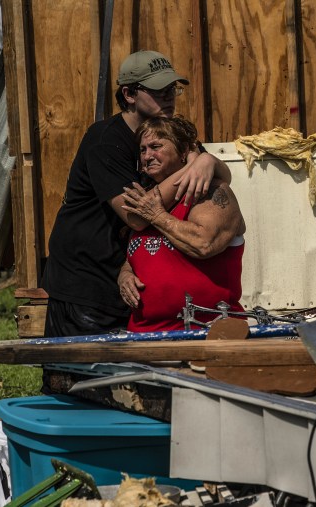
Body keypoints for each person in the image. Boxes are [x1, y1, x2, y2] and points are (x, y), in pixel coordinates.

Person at [41, 50, 230, 337]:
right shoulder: (105, 141)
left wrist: (208, 161)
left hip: (128, 279)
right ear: (129, 94)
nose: (169, 96)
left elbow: (224, 177)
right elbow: (136, 217)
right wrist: (191, 165)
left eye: (173, 89)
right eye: (159, 90)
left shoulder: (170, 134)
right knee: (81, 378)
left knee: (132, 376)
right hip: (86, 282)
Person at [118, 116, 246, 331]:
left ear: (183, 151)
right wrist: (125, 274)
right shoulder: (151, 200)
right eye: (143, 150)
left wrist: (157, 216)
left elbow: (204, 244)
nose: (147, 156)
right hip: (143, 334)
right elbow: (144, 252)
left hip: (204, 333)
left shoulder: (211, 192)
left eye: (156, 147)